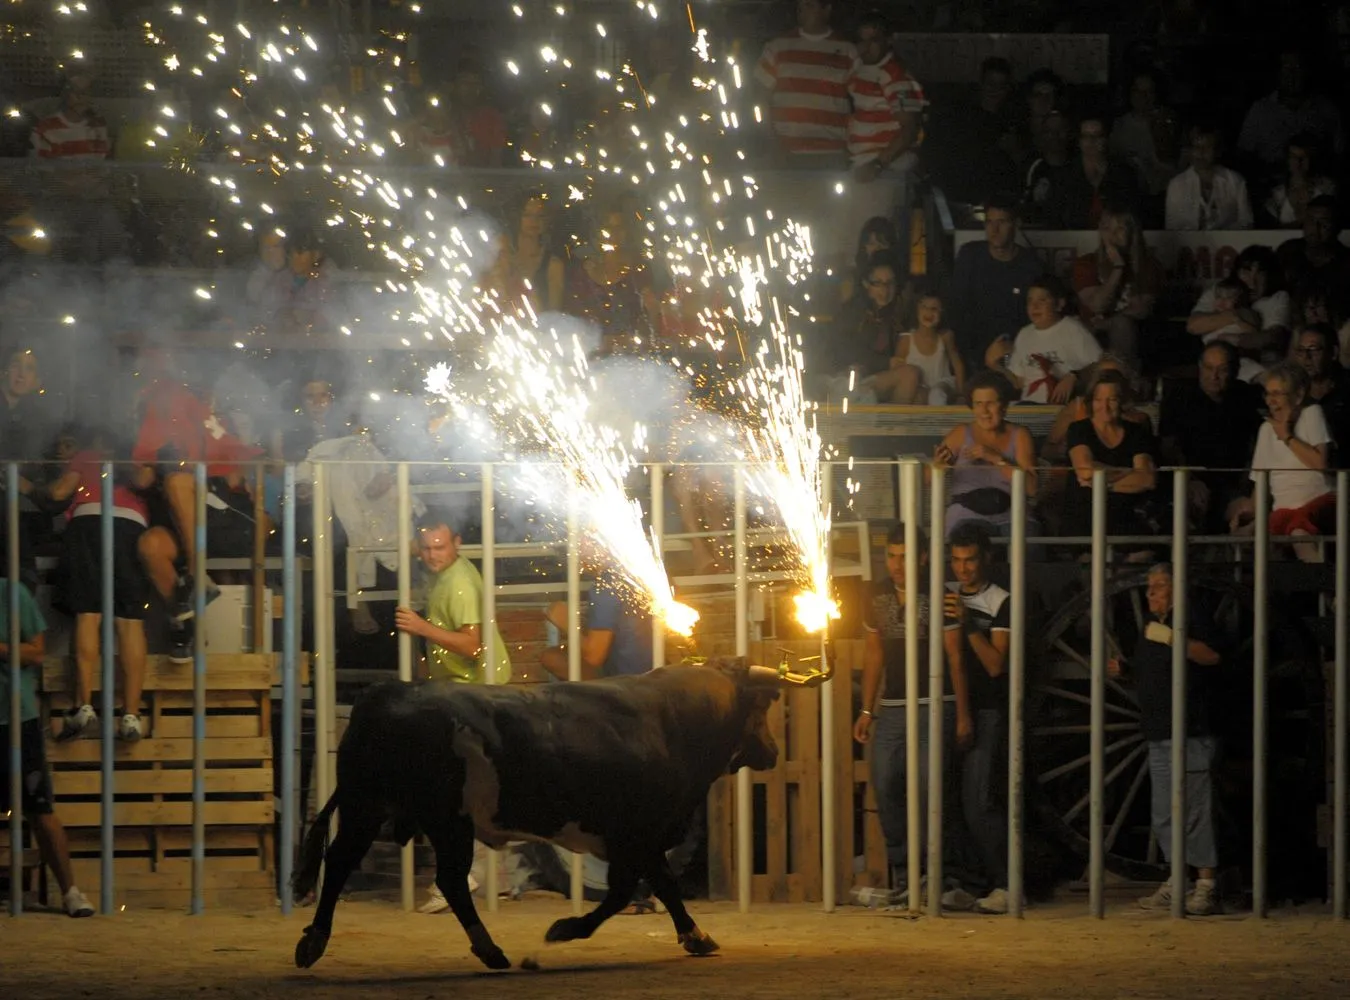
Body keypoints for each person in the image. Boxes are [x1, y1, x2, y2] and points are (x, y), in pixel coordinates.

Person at [397, 510, 511, 914]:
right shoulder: (446, 573)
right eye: (426, 548)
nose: (432, 554)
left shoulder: (459, 582)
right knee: (459, 788)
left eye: (440, 546)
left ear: (457, 542)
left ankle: (459, 874)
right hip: (464, 690)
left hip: (476, 692)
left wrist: (420, 628)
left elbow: (471, 646)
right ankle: (470, 873)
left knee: (447, 787)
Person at [853, 522, 971, 909]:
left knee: (929, 788)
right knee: (886, 787)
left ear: (921, 558)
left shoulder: (940, 595)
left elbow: (955, 657)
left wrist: (962, 714)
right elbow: (873, 655)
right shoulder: (877, 596)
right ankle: (907, 876)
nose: (897, 564)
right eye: (891, 555)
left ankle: (941, 874)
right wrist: (867, 709)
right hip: (893, 706)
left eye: (904, 556)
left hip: (934, 702)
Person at [1109, 563, 1224, 915]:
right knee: (1164, 814)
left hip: (1190, 730)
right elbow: (1151, 673)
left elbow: (1212, 656)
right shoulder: (1150, 628)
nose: (1151, 593)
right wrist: (1126, 670)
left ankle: (1206, 884)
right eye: (1150, 587)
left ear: (1177, 589)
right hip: (1158, 732)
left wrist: (1174, 636)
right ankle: (1177, 881)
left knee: (1195, 813)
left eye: (1158, 586)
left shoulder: (1192, 617)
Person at [44, 426, 149, 742]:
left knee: (88, 615)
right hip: (132, 527)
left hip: (88, 523)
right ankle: (130, 715)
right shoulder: (135, 459)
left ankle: (84, 704)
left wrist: (33, 488)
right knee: (130, 624)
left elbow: (60, 492)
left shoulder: (86, 457)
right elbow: (146, 482)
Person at [0, 574, 96, 917]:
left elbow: (37, 651)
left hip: (14, 719)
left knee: (41, 810)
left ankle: (71, 891)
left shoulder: (11, 594)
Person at [943, 522, 1016, 914]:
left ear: (985, 558)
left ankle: (1008, 883)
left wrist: (968, 625)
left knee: (979, 802)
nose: (963, 569)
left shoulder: (1001, 600)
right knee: (951, 800)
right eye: (956, 560)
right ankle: (971, 883)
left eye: (970, 560)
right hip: (948, 705)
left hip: (986, 710)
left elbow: (995, 665)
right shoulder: (945, 595)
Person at [1229, 361, 1336, 563]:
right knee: (1252, 536)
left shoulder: (1311, 413)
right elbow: (1261, 483)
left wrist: (1287, 436)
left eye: (1278, 394)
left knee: (1298, 530)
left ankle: (1330, 590)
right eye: (1268, 394)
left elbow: (1321, 463)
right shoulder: (1266, 429)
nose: (1271, 401)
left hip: (1319, 503)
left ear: (1298, 395)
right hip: (1283, 511)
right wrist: (1247, 513)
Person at [1159, 342, 1265, 534]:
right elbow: (1169, 447)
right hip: (1192, 482)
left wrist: (1247, 484)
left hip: (1235, 485)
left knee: (1251, 514)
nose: (1214, 376)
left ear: (1235, 370)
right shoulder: (1179, 397)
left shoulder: (1247, 397)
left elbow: (1259, 445)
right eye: (1209, 368)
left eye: (1222, 370)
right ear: (1199, 367)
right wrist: (1188, 479)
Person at [932, 370, 1038, 539]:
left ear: (1003, 406)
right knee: (967, 544)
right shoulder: (960, 433)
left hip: (1013, 512)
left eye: (990, 403)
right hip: (967, 513)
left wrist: (997, 459)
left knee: (1031, 549)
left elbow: (1032, 488)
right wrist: (938, 467)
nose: (984, 411)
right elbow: (927, 478)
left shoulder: (1020, 435)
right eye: (978, 403)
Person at [1062, 369, 1159, 548]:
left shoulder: (1137, 432)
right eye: (1099, 400)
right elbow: (1085, 471)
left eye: (1112, 400)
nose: (1104, 407)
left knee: (1144, 550)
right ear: (1091, 401)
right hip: (1086, 512)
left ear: (1122, 401)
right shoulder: (1079, 429)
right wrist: (1129, 472)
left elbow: (1147, 479)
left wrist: (1104, 483)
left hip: (1127, 513)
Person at [754, 0, 856, 166]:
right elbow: (760, 99)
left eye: (809, 5)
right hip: (786, 151)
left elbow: (861, 100)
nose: (802, 11)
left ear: (826, 9)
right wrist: (772, 142)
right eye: (800, 7)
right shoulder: (777, 47)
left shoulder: (847, 50)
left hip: (833, 151)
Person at [986, 274, 1102, 405]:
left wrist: (1074, 376)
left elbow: (1102, 366)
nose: (1034, 306)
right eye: (1030, 301)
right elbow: (1018, 382)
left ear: (1059, 304)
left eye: (1042, 300)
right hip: (1030, 405)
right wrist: (995, 365)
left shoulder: (1073, 329)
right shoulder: (1024, 334)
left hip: (1065, 406)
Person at [1164, 123, 1253, 231]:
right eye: (1196, 147)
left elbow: (1246, 222)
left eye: (1207, 148)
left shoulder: (1235, 180)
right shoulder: (1177, 184)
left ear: (1217, 151)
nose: (1201, 153)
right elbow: (1171, 228)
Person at [891, 286, 965, 404]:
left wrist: (961, 394)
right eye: (924, 307)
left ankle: (939, 421)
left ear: (942, 312)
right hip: (920, 386)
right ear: (916, 310)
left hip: (942, 383)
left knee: (936, 394)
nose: (929, 312)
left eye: (934, 309)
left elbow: (958, 365)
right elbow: (897, 370)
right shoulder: (906, 339)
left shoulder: (946, 337)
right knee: (920, 397)